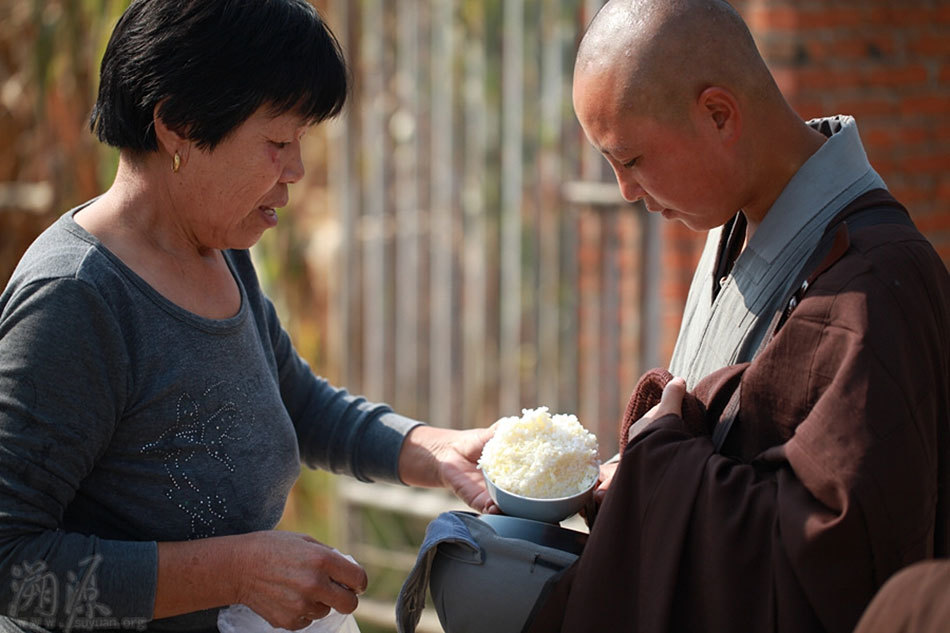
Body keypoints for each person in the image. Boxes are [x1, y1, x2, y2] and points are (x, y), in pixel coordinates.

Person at [0, 2, 493, 633]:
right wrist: (236, 572)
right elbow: (11, 563)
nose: (296, 171)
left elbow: (293, 399)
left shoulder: (219, 249)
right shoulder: (77, 299)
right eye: (277, 142)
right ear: (178, 124)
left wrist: (435, 449)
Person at [525, 0, 950, 632]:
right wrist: (639, 478)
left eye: (632, 159)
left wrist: (664, 464)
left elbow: (842, 566)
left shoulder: (879, 282)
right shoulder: (736, 227)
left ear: (718, 115)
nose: (625, 191)